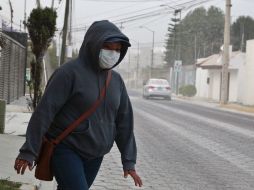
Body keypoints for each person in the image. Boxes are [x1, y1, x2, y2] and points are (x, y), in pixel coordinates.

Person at [14, 20, 143, 190]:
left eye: (117, 49)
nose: (113, 53)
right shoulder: (68, 73)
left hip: (96, 155)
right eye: (108, 48)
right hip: (66, 149)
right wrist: (29, 151)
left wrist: (129, 161)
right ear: (93, 45)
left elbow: (124, 122)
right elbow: (44, 112)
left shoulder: (116, 81)